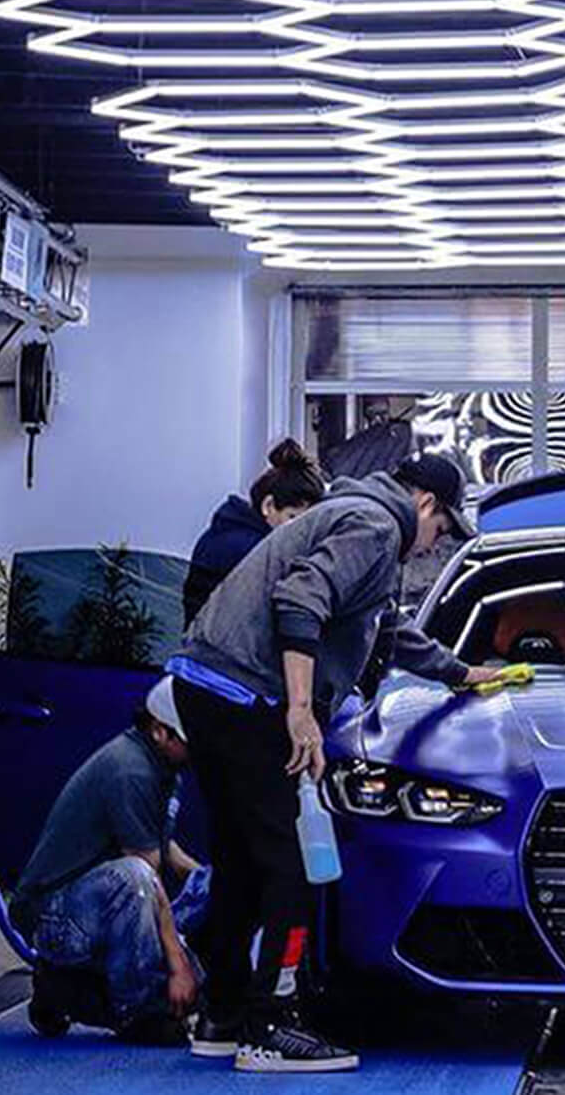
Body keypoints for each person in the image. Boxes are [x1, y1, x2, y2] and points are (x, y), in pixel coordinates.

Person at [167, 453, 499, 1073]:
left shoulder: (350, 514)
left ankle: (224, 1016)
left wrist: (461, 673)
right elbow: (299, 600)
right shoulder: (375, 526)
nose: (435, 544)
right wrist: (299, 711)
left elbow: (384, 630)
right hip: (247, 693)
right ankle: (273, 1024)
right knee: (289, 864)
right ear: (425, 504)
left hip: (206, 685)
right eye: (443, 529)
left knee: (242, 855)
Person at [14, 678, 204, 1044]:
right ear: (160, 731)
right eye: (188, 740)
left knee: (209, 883)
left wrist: (211, 880)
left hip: (97, 901)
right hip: (55, 916)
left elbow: (166, 849)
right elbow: (146, 873)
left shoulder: (163, 767)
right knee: (133, 879)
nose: (196, 751)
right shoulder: (130, 771)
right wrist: (178, 964)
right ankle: (139, 1011)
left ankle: (73, 988)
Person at [184, 439, 326, 625]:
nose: (302, 533)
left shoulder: (229, 534)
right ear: (268, 506)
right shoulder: (253, 551)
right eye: (293, 519)